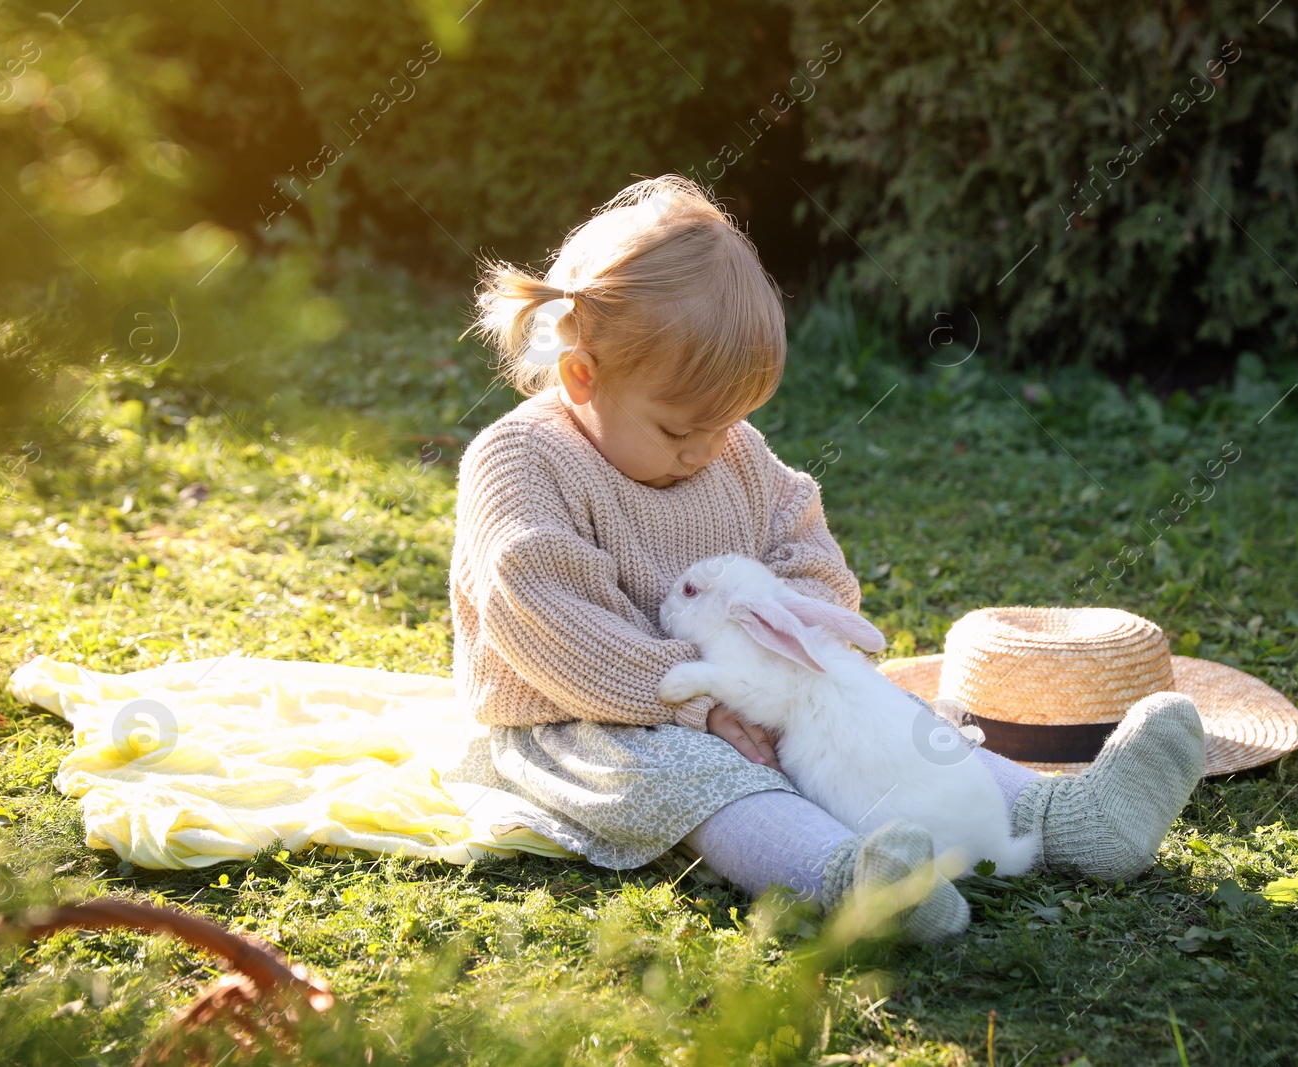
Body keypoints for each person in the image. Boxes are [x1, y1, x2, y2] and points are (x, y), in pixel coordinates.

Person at [447, 174, 1206, 944]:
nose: (708, 450)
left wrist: (793, 660)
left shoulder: (731, 454)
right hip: (594, 717)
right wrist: (696, 701)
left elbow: (805, 551)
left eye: (731, 424)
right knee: (701, 778)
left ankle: (1064, 817)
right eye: (680, 432)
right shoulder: (523, 462)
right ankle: (857, 878)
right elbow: (544, 617)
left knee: (887, 716)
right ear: (582, 376)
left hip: (754, 691)